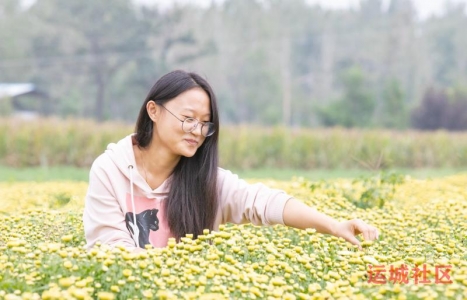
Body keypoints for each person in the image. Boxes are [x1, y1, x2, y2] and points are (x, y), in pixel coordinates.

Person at [83, 70, 379, 252]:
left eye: (204, 123)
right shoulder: (110, 170)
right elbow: (111, 252)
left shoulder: (206, 181)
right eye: (188, 119)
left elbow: (265, 202)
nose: (197, 131)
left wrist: (333, 226)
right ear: (153, 110)